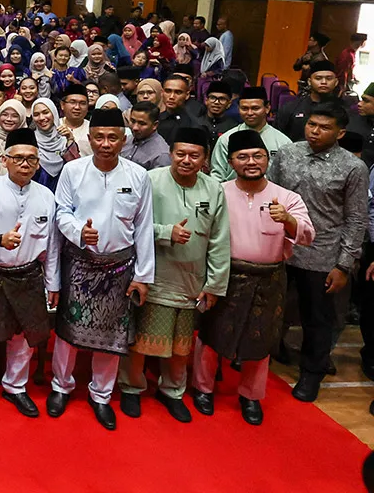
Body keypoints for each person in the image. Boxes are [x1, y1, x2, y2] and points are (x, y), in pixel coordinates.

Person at [192, 130, 314, 425]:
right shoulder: (218, 191)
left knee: (260, 341)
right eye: (243, 157)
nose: (251, 162)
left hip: (268, 279)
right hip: (226, 275)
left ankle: (250, 396)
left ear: (266, 159)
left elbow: (308, 235)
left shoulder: (286, 197)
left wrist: (288, 219)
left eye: (257, 156)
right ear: (231, 161)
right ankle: (203, 388)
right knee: (211, 335)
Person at [50, 107, 155, 431]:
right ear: (90, 138)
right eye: (99, 137)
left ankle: (101, 395)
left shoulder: (138, 176)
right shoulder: (73, 171)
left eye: (112, 137)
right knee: (67, 334)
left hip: (119, 267)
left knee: (112, 336)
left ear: (123, 140)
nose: (105, 143)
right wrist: (79, 231)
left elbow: (144, 227)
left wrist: (143, 276)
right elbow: (60, 215)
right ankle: (60, 386)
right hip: (80, 264)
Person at [117, 128, 231, 422]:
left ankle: (173, 391)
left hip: (191, 281)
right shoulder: (150, 181)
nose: (186, 160)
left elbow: (219, 240)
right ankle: (131, 388)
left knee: (182, 345)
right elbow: (130, 226)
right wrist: (167, 232)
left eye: (194, 155)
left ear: (205, 159)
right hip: (152, 276)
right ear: (170, 154)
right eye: (180, 153)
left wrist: (215, 284)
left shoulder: (214, 188)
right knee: (140, 341)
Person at [267, 101, 367, 401]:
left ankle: (312, 373)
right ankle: (268, 353)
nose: (315, 132)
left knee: (317, 319)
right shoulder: (287, 154)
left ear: (340, 133)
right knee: (272, 308)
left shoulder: (353, 167)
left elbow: (356, 218)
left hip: (322, 255)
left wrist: (344, 264)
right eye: (312, 125)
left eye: (324, 128)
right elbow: (270, 192)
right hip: (281, 247)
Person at [0, 128, 59, 418]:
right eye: (18, 158)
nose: (25, 164)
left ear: (38, 163)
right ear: (5, 160)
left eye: (31, 159)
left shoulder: (46, 197)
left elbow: (52, 245)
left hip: (29, 274)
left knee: (23, 338)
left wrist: (53, 282)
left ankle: (16, 387)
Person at [209, 86, 292, 181]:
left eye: (255, 108)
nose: (249, 113)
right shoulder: (226, 139)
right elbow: (217, 177)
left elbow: (288, 179)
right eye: (244, 108)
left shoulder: (283, 142)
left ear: (267, 108)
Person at [278, 61, 340, 141]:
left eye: (329, 78)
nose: (324, 82)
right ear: (309, 82)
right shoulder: (290, 108)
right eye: (318, 78)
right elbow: (278, 137)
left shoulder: (345, 109)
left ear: (336, 82)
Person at [122, 102, 170, 170]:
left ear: (155, 125)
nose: (135, 127)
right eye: (133, 121)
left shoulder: (161, 155)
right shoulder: (126, 140)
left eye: (142, 123)